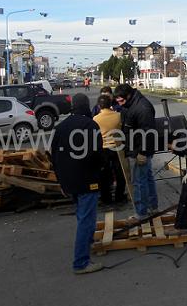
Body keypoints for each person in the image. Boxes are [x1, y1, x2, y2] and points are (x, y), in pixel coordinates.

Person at [51, 93, 103, 274]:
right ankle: (81, 262)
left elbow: (54, 156)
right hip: (87, 181)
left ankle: (88, 245)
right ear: (86, 106)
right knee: (86, 220)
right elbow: (97, 155)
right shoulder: (90, 125)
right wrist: (100, 175)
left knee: (82, 216)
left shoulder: (61, 127)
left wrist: (61, 181)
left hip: (68, 181)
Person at [113, 84, 158, 219]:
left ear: (128, 95)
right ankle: (152, 206)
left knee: (139, 182)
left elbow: (148, 132)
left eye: (121, 101)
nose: (119, 104)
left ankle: (141, 213)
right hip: (136, 148)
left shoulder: (142, 108)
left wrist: (142, 153)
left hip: (140, 150)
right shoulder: (130, 104)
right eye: (117, 102)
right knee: (147, 178)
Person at [93, 94, 127, 204]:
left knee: (105, 175)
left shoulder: (95, 119)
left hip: (104, 149)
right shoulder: (118, 116)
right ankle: (119, 197)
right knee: (120, 174)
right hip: (118, 148)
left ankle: (106, 198)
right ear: (111, 104)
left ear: (99, 106)